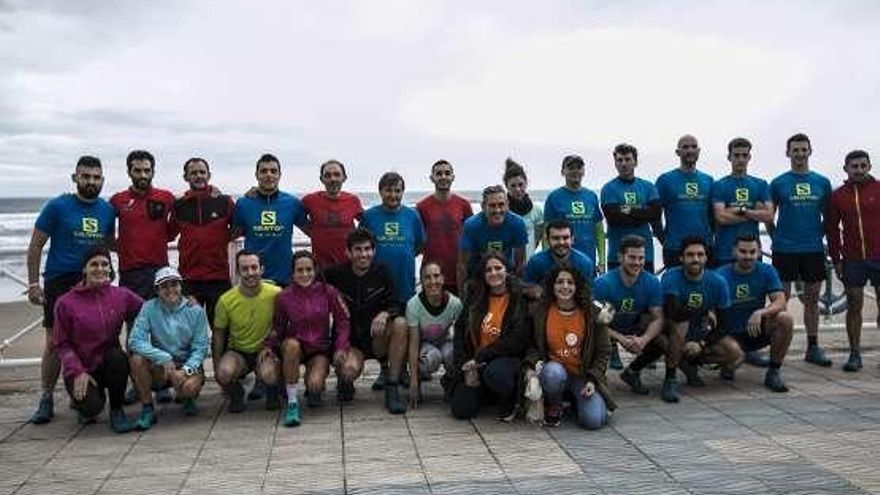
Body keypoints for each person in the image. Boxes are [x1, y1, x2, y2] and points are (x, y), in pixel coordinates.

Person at [26, 156, 116, 425]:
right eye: (85, 176)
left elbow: (109, 244)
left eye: (96, 177)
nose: (91, 181)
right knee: (54, 341)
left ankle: (92, 394)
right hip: (60, 280)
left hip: (96, 279)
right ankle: (46, 397)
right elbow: (35, 245)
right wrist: (33, 283)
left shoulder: (107, 210)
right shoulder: (57, 206)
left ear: (102, 180)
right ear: (75, 177)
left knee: (102, 337)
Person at [53, 247, 142, 432]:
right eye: (94, 264)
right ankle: (87, 401)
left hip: (109, 364)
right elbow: (62, 344)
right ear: (84, 269)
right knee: (92, 408)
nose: (100, 269)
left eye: (105, 264)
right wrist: (77, 371)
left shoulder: (121, 295)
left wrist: (183, 301)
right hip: (81, 368)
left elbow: (151, 308)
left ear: (110, 268)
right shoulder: (65, 303)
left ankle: (117, 410)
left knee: (119, 357)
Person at [259, 251, 350, 427]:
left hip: (319, 349)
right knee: (292, 345)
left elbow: (343, 321)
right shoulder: (284, 296)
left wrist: (340, 346)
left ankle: (312, 386)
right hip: (294, 347)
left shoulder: (329, 291)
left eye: (309, 269)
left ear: (315, 270)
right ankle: (292, 402)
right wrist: (268, 346)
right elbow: (277, 327)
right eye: (299, 270)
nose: (305, 274)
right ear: (293, 273)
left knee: (315, 385)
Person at [324, 228, 409, 414]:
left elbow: (397, 302)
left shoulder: (383, 271)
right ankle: (344, 381)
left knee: (401, 323)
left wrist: (386, 313)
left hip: (377, 337)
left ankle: (392, 387)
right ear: (348, 252)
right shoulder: (335, 273)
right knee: (348, 372)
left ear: (374, 251)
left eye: (368, 249)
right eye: (358, 249)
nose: (364, 254)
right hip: (352, 340)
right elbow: (309, 283)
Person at [769, 133, 833, 366]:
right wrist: (776, 235)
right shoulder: (778, 183)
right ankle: (777, 348)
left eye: (803, 149)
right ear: (788, 153)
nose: (799, 154)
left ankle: (813, 347)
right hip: (784, 248)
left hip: (813, 248)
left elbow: (829, 217)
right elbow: (769, 215)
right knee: (781, 299)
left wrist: (819, 236)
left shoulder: (822, 182)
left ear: (810, 151)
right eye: (795, 150)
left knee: (812, 299)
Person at [527, 266, 617, 428]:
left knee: (594, 421)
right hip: (554, 373)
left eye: (570, 282)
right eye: (560, 282)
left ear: (578, 286)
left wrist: (593, 380)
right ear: (552, 286)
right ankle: (555, 404)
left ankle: (576, 401)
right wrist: (531, 367)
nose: (565, 286)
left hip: (583, 376)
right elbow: (533, 345)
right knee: (553, 373)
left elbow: (604, 351)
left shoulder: (594, 312)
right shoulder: (541, 311)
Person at [449, 253, 531, 421]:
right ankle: (487, 393)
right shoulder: (476, 297)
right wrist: (465, 365)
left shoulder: (519, 299)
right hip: (475, 363)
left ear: (507, 271)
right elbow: (459, 329)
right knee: (461, 410)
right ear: (483, 275)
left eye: (498, 268)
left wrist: (479, 357)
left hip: (506, 361)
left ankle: (509, 398)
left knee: (496, 374)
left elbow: (516, 342)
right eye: (488, 270)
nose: (494, 273)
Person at [128, 267, 209, 429]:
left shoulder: (196, 310)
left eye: (174, 284)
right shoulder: (149, 308)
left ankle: (186, 397)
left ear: (180, 286)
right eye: (164, 286)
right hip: (162, 366)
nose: (170, 289)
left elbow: (201, 348)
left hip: (186, 364)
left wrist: (186, 370)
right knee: (136, 359)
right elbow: (135, 341)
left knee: (189, 388)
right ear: (157, 290)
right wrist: (163, 357)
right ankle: (147, 408)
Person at [660, 237, 739, 402]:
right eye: (690, 255)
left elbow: (725, 324)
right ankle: (670, 378)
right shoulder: (670, 276)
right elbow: (673, 312)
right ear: (681, 258)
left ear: (706, 257)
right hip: (672, 330)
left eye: (700, 254)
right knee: (681, 324)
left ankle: (690, 363)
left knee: (735, 353)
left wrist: (701, 343)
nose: (695, 259)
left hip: (700, 333)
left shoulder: (718, 282)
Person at [593, 236, 668, 397]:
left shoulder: (652, 282)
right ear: (620, 257)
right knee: (593, 336)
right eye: (632, 257)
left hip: (634, 326)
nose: (637, 262)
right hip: (608, 327)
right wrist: (621, 338)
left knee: (662, 341)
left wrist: (644, 339)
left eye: (641, 258)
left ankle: (632, 372)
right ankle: (595, 378)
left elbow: (658, 318)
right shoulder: (603, 284)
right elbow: (595, 322)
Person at [716, 235, 793, 391]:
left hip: (754, 329)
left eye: (752, 252)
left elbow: (780, 301)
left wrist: (761, 312)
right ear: (734, 252)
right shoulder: (720, 275)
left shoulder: (767, 270)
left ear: (759, 253)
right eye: (743, 251)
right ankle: (728, 362)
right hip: (728, 333)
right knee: (733, 356)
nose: (748, 256)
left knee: (785, 319)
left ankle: (773, 371)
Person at [826, 149, 880, 372]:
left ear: (869, 166)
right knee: (854, 304)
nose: (859, 170)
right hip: (853, 258)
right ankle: (855, 353)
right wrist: (836, 259)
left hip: (879, 257)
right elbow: (831, 230)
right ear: (846, 169)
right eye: (854, 166)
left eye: (863, 165)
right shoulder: (838, 195)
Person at [168, 157, 236, 330]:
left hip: (219, 279)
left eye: (202, 172)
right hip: (190, 280)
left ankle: (219, 359)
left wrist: (219, 239)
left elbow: (239, 228)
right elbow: (168, 234)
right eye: (193, 173)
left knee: (222, 333)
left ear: (209, 175)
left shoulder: (224, 202)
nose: (198, 176)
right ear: (185, 177)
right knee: (187, 334)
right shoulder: (179, 205)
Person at [213, 250, 282, 413]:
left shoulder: (276, 293)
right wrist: (216, 362)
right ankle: (237, 393)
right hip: (239, 352)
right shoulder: (226, 300)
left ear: (262, 269)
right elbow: (219, 333)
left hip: (266, 350)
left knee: (270, 374)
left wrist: (272, 346)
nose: (250, 273)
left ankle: (273, 391)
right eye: (244, 269)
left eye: (254, 267)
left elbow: (285, 324)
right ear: (237, 272)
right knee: (223, 373)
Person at [109, 150, 175, 300]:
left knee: (162, 321)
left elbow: (185, 212)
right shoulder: (117, 200)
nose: (143, 175)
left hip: (160, 270)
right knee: (134, 320)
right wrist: (127, 250)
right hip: (130, 272)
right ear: (129, 172)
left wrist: (212, 190)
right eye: (137, 171)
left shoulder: (166, 197)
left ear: (153, 171)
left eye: (147, 170)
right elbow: (107, 236)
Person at [234, 153, 308, 286]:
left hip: (285, 278)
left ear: (280, 175)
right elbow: (232, 234)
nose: (269, 175)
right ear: (256, 175)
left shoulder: (292, 203)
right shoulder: (243, 203)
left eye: (273, 171)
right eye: (264, 171)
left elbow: (313, 231)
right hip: (253, 277)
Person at [361, 172, 425, 304]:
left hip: (405, 283)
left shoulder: (412, 215)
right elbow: (360, 247)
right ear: (380, 191)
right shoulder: (369, 216)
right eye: (388, 190)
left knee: (403, 322)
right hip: (376, 284)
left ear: (403, 192)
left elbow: (419, 245)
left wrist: (400, 254)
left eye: (397, 191)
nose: (393, 195)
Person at [405, 260, 463, 406]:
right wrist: (412, 383)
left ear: (443, 279)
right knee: (433, 357)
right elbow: (413, 343)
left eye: (436, 276)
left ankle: (451, 382)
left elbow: (462, 338)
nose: (433, 281)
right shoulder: (413, 305)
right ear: (422, 281)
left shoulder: (455, 304)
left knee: (453, 354)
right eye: (427, 277)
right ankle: (419, 380)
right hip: (424, 344)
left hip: (444, 341)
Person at [711, 138, 773, 267]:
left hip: (752, 252)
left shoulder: (760, 184)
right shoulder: (719, 185)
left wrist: (739, 210)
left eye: (744, 155)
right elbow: (721, 217)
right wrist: (753, 212)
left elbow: (769, 216)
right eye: (736, 155)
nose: (740, 159)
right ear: (729, 157)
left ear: (749, 157)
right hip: (724, 252)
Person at [601, 143, 662, 273]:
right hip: (617, 255)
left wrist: (627, 210)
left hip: (644, 255)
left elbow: (656, 214)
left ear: (635, 162)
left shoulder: (648, 187)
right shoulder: (608, 188)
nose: (624, 163)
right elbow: (614, 219)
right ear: (615, 163)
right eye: (620, 160)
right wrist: (643, 214)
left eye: (628, 159)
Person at [656, 135, 715, 268]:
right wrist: (664, 239)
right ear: (678, 152)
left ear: (699, 151)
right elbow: (655, 215)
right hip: (674, 248)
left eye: (694, 147)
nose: (690, 150)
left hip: (704, 248)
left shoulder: (708, 180)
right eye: (685, 147)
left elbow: (713, 215)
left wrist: (710, 236)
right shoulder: (665, 180)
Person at [416, 160, 473, 294]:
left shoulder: (464, 205)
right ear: (432, 178)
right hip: (432, 276)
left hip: (459, 273)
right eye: (439, 173)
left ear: (453, 177)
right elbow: (418, 240)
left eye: (447, 173)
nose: (443, 177)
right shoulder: (421, 207)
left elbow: (472, 238)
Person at [458, 185, 528, 293]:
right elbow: (462, 265)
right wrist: (462, 294)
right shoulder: (471, 225)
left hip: (506, 273)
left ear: (507, 205)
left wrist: (517, 291)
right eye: (492, 206)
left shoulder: (517, 223)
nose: (497, 210)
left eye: (501, 205)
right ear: (483, 206)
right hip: (478, 274)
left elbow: (520, 263)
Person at [543, 155, 605, 269]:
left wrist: (602, 260)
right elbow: (546, 233)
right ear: (563, 172)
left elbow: (599, 232)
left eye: (579, 168)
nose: (575, 171)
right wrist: (547, 261)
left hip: (588, 260)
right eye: (571, 168)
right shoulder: (554, 197)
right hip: (561, 261)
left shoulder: (591, 196)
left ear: (583, 171)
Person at [301, 159, 364, 268]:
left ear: (344, 178)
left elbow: (368, 223)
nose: (332, 179)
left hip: (348, 266)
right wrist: (313, 233)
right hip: (320, 268)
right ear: (322, 179)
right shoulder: (310, 200)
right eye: (328, 175)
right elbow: (296, 218)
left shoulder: (353, 200)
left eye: (337, 174)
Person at [523, 220, 595, 290]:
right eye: (556, 238)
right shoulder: (535, 263)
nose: (561, 242)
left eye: (565, 238)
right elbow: (526, 290)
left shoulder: (584, 264)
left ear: (572, 239)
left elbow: (588, 294)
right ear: (547, 240)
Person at [503, 158, 543, 259]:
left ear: (526, 183)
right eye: (513, 186)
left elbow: (537, 238)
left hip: (528, 263)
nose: (518, 189)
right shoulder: (501, 210)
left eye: (521, 185)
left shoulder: (536, 210)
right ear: (506, 186)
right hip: (504, 264)